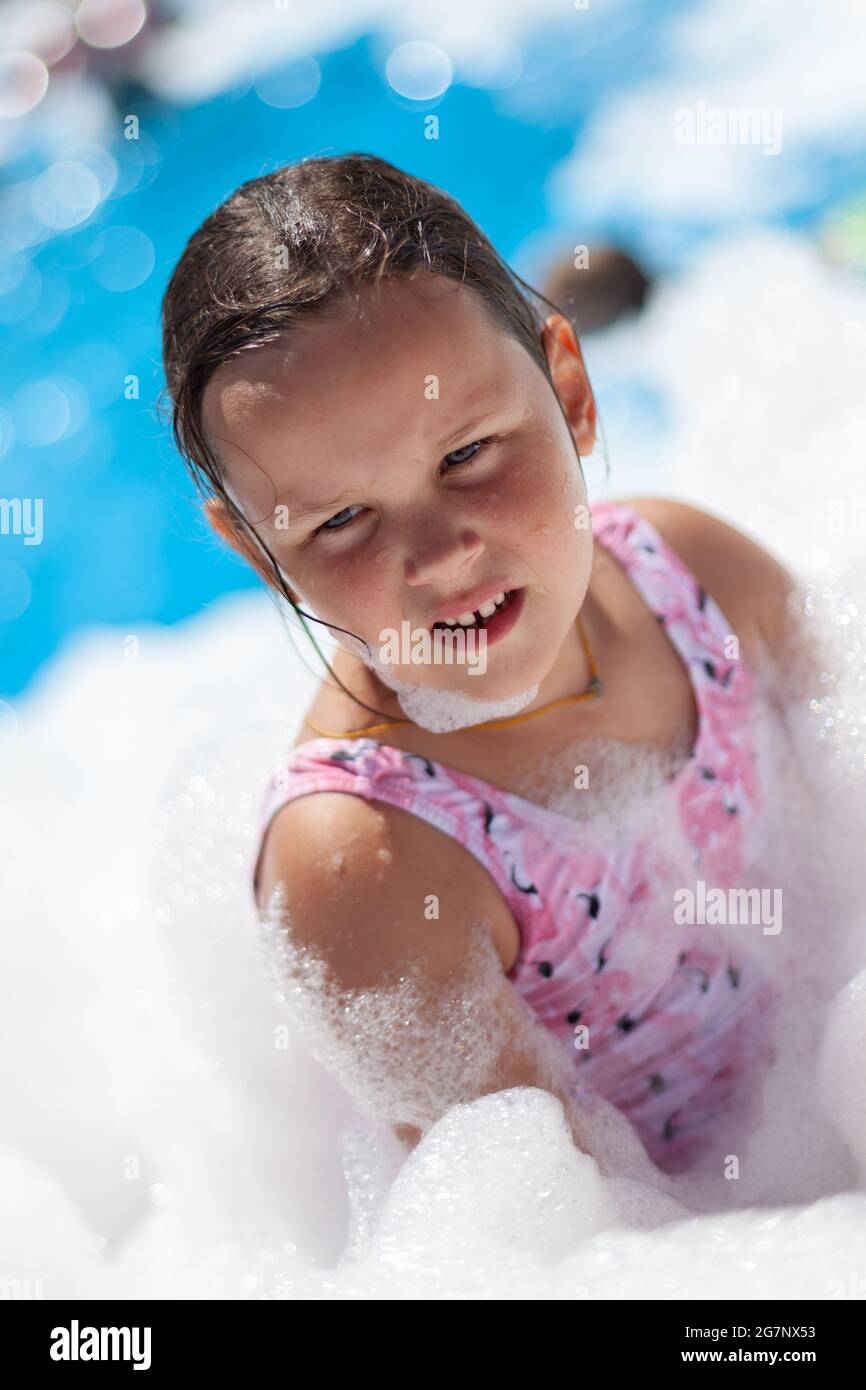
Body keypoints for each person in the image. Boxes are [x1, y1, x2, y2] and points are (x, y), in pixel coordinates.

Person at [160, 153, 807, 1177]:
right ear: (256, 552)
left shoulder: (696, 576)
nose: (439, 553)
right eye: (340, 519)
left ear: (570, 390)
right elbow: (558, 1248)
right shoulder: (366, 863)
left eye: (466, 456)